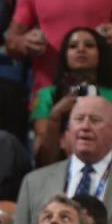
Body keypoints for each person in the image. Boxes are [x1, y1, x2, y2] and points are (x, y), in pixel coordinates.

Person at [7, 95, 112, 224]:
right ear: (68, 129)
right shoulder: (34, 182)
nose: (85, 126)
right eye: (79, 119)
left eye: (95, 120)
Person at [31, 28, 112, 165]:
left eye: (89, 45)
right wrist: (55, 115)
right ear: (65, 55)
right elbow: (44, 157)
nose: (81, 49)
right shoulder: (46, 94)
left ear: (100, 54)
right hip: (60, 166)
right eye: (73, 46)